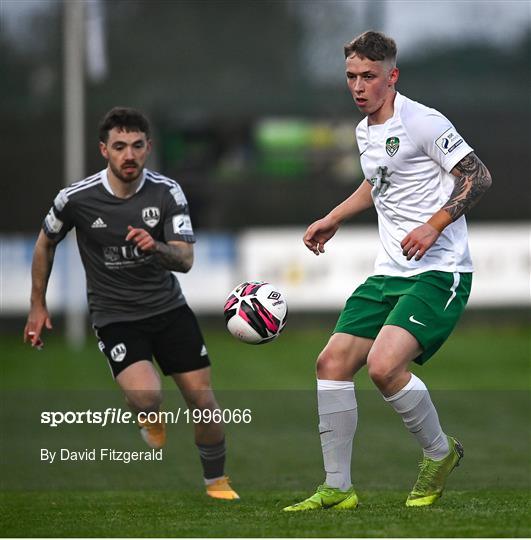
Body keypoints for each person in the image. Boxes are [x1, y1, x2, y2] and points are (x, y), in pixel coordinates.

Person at [283, 31, 492, 511]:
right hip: (389, 273)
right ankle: (337, 489)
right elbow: (378, 182)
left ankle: (439, 454)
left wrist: (434, 225)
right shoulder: (364, 131)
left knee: (382, 366)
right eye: (352, 77)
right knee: (330, 364)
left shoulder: (422, 121)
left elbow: (477, 174)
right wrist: (334, 217)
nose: (359, 87)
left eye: (369, 77)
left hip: (440, 271)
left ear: (391, 76)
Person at [24, 107, 239, 500]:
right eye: (120, 146)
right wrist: (37, 305)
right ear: (104, 150)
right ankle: (149, 416)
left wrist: (153, 246)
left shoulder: (166, 191)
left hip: (169, 310)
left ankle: (217, 482)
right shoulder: (76, 199)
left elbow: (186, 259)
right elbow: (45, 243)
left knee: (204, 402)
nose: (129, 155)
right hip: (115, 315)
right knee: (147, 396)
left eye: (137, 146)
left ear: (148, 148)